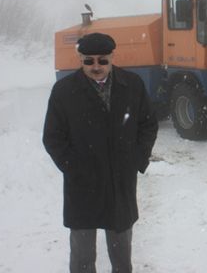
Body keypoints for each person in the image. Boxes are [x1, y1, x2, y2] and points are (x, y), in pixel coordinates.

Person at [43, 32, 158, 273]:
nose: (96, 66)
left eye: (102, 60)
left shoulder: (132, 84)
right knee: (82, 253)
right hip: (83, 182)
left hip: (120, 180)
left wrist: (136, 158)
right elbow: (53, 137)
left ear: (112, 57)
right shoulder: (64, 91)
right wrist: (74, 168)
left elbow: (147, 124)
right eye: (89, 61)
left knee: (121, 251)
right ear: (80, 60)